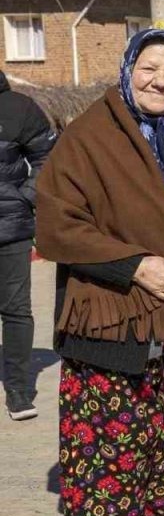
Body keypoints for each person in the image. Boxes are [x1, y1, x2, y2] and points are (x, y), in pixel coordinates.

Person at [36, 29, 164, 516]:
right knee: (111, 435)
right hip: (111, 311)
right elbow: (57, 224)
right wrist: (136, 265)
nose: (162, 80)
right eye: (150, 67)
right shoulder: (90, 134)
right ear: (126, 70)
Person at [0, 69, 55, 420]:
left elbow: (48, 158)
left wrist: (25, 197)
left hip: (11, 228)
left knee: (16, 310)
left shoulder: (20, 108)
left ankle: (19, 390)